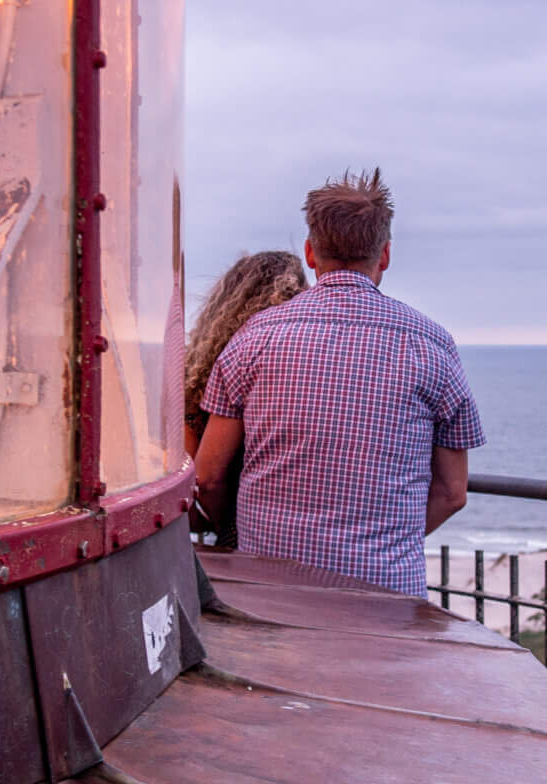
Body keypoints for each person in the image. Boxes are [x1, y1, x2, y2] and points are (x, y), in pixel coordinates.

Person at [195, 169, 483, 597]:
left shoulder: (254, 336)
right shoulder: (431, 343)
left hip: (267, 590)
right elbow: (452, 492)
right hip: (384, 596)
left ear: (311, 253)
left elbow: (209, 477)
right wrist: (386, 546)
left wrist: (236, 534)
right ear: (384, 255)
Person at [181, 250, 308, 548]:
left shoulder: (196, 381)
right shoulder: (290, 369)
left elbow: (197, 484)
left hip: (238, 535)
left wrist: (224, 524)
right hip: (286, 534)